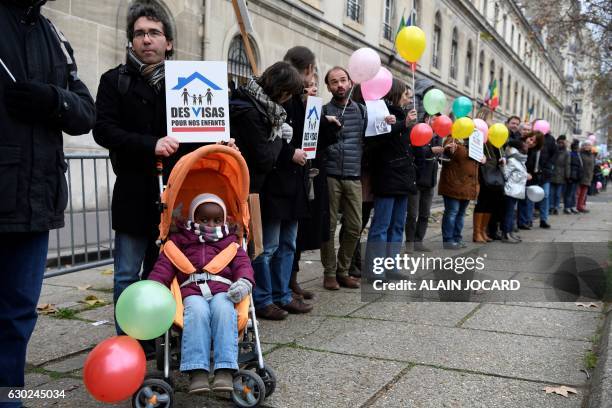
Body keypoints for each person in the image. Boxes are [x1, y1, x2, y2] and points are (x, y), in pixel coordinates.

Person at [0, 0, 95, 399]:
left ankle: (9, 396)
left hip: (38, 199)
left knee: (18, 314)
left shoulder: (53, 34)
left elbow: (85, 110)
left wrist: (55, 100)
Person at [94, 3, 178, 337]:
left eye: (154, 33)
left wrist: (221, 142)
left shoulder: (183, 83)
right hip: (131, 191)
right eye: (140, 33)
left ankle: (159, 336)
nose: (147, 40)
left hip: (173, 195)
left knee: (163, 272)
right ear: (131, 41)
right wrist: (150, 144)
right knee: (126, 275)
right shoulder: (114, 80)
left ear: (168, 42)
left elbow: (198, 133)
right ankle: (128, 339)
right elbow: (103, 130)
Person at [148, 194, 254, 394]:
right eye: (203, 220)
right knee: (196, 312)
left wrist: (244, 282)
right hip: (191, 290)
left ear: (225, 220)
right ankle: (197, 370)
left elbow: (243, 265)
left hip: (224, 291)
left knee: (224, 310)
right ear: (192, 219)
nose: (210, 224)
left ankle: (224, 369)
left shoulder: (231, 242)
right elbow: (164, 266)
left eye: (216, 220)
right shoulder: (180, 241)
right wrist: (154, 287)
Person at [230, 61, 303, 320]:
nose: (288, 100)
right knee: (260, 248)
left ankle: (267, 296)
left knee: (264, 246)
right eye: (287, 93)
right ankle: (261, 299)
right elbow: (263, 157)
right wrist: (280, 138)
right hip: (249, 187)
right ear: (279, 90)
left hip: (257, 186)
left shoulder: (264, 107)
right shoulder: (251, 111)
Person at [253, 46, 319, 316]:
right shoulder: (265, 106)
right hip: (273, 185)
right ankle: (264, 298)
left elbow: (307, 137)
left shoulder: (299, 100)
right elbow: (266, 147)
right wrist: (289, 150)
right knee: (267, 247)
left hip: (294, 185)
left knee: (288, 244)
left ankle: (282, 293)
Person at [320, 66, 367, 290]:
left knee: (355, 226)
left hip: (353, 175)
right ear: (328, 86)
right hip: (329, 175)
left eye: (343, 80)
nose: (339, 85)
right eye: (334, 82)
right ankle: (329, 272)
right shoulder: (322, 112)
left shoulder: (361, 111)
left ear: (349, 83)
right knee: (328, 226)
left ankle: (343, 270)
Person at [365, 79, 417, 279]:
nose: (409, 99)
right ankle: (375, 269)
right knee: (381, 225)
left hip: (404, 177)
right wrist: (404, 124)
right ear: (395, 93)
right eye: (406, 94)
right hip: (387, 177)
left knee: (397, 225)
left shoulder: (404, 116)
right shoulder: (381, 111)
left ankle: (391, 266)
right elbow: (379, 137)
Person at [406, 112, 443, 252]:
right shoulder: (419, 130)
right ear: (427, 119)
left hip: (430, 179)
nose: (437, 122)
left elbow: (438, 155)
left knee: (425, 213)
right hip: (416, 178)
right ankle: (409, 243)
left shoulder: (438, 135)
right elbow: (415, 150)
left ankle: (418, 241)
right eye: (434, 119)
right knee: (412, 214)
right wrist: (430, 150)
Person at [438, 135, 483, 249]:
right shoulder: (452, 138)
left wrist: (483, 158)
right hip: (453, 184)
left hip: (468, 186)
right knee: (452, 212)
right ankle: (448, 240)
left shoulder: (474, 141)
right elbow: (446, 154)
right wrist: (449, 150)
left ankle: (457, 238)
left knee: (461, 214)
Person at [501, 139, 529, 243]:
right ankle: (506, 234)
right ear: (518, 148)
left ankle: (510, 232)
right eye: (524, 145)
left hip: (516, 191)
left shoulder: (519, 160)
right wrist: (503, 165)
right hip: (510, 191)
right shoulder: (512, 160)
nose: (526, 147)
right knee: (508, 213)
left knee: (512, 213)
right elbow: (506, 175)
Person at [517, 131, 543, 229]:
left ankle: (522, 222)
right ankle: (516, 223)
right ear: (527, 137)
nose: (531, 142)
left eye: (534, 142)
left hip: (527, 179)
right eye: (531, 139)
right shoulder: (519, 145)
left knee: (524, 201)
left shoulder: (533, 151)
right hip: (517, 178)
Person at [550, 135, 570, 215]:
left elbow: (567, 165)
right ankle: (551, 207)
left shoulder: (566, 153)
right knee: (551, 193)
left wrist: (567, 176)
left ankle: (556, 207)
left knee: (558, 194)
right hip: (552, 173)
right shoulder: (554, 151)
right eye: (559, 143)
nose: (560, 144)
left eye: (562, 143)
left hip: (561, 175)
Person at [564, 139, 583, 214]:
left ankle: (572, 206)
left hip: (577, 176)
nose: (579, 148)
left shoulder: (578, 155)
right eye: (578, 147)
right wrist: (568, 176)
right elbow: (568, 165)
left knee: (574, 192)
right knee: (569, 192)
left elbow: (580, 166)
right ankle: (567, 207)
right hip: (572, 176)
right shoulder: (571, 154)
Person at [577, 141, 595, 213]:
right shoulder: (580, 154)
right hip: (581, 176)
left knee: (583, 193)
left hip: (588, 176)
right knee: (578, 193)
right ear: (582, 146)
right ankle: (576, 206)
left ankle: (581, 206)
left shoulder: (592, 155)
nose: (587, 146)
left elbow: (592, 166)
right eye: (586, 145)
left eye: (589, 145)